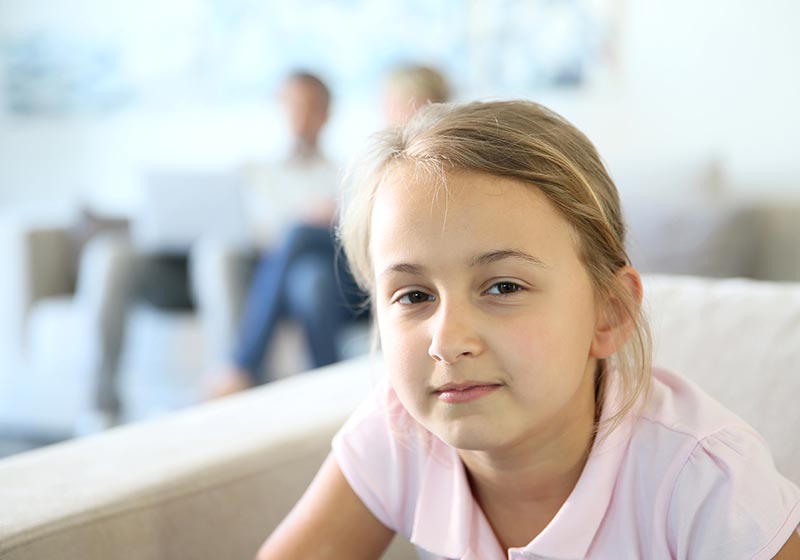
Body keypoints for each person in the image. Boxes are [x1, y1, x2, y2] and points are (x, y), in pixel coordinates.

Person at [255, 101, 800, 558]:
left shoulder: (703, 480)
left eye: (503, 288)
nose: (447, 342)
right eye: (415, 295)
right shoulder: (398, 432)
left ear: (608, 312)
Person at [208, 71, 362, 395]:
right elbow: (244, 228)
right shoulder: (255, 172)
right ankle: (328, 391)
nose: (301, 116)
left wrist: (334, 215)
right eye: (293, 106)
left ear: (327, 114)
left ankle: (241, 365)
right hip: (277, 271)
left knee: (299, 235)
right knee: (310, 279)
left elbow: (359, 232)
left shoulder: (347, 173)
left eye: (311, 107)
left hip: (337, 265)